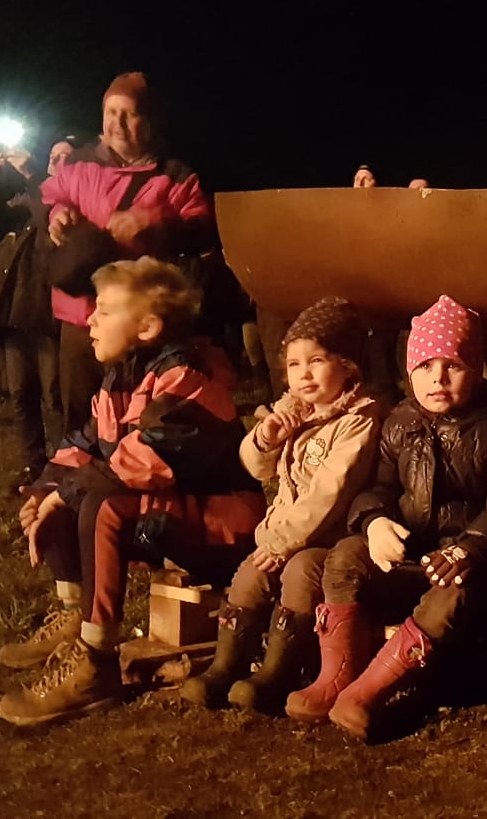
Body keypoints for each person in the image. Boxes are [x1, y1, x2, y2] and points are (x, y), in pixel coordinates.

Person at [0, 257, 265, 726]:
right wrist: (43, 490)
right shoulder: (125, 374)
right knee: (67, 492)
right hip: (175, 511)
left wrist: (63, 493)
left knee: (102, 504)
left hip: (227, 527)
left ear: (147, 327)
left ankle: (96, 663)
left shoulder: (187, 379)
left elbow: (140, 462)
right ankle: (74, 617)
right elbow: (84, 444)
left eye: (104, 310)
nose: (90, 320)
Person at [284, 296, 487, 740]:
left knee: (452, 595)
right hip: (412, 551)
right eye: (425, 366)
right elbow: (379, 487)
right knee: (345, 556)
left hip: (466, 562)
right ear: (409, 370)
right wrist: (374, 521)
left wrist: (470, 548)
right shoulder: (400, 422)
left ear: (475, 369)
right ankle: (335, 677)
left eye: (452, 365)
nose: (437, 378)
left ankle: (370, 691)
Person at [181, 297, 383, 711]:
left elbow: (330, 492)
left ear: (347, 366)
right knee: (249, 577)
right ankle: (226, 666)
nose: (303, 373)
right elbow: (257, 469)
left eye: (317, 361)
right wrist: (265, 439)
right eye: (293, 364)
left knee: (299, 573)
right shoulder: (295, 412)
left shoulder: (357, 421)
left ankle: (282, 669)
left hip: (330, 537)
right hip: (286, 534)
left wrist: (281, 542)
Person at [42, 72, 215, 437]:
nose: (117, 123)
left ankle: (128, 468)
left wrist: (153, 223)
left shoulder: (176, 175)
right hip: (82, 316)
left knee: (134, 414)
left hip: (137, 322)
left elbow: (202, 229)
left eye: (129, 114)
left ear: (148, 122)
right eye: (111, 112)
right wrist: (58, 215)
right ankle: (73, 468)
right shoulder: (78, 163)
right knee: (78, 411)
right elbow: (50, 197)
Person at [0, 138, 69, 488]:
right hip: (14, 314)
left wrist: (31, 175)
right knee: (21, 394)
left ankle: (63, 467)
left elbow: (49, 216)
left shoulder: (64, 200)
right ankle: (34, 464)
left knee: (54, 396)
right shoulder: (23, 200)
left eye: (65, 157)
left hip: (48, 315)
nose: (57, 161)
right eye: (53, 156)